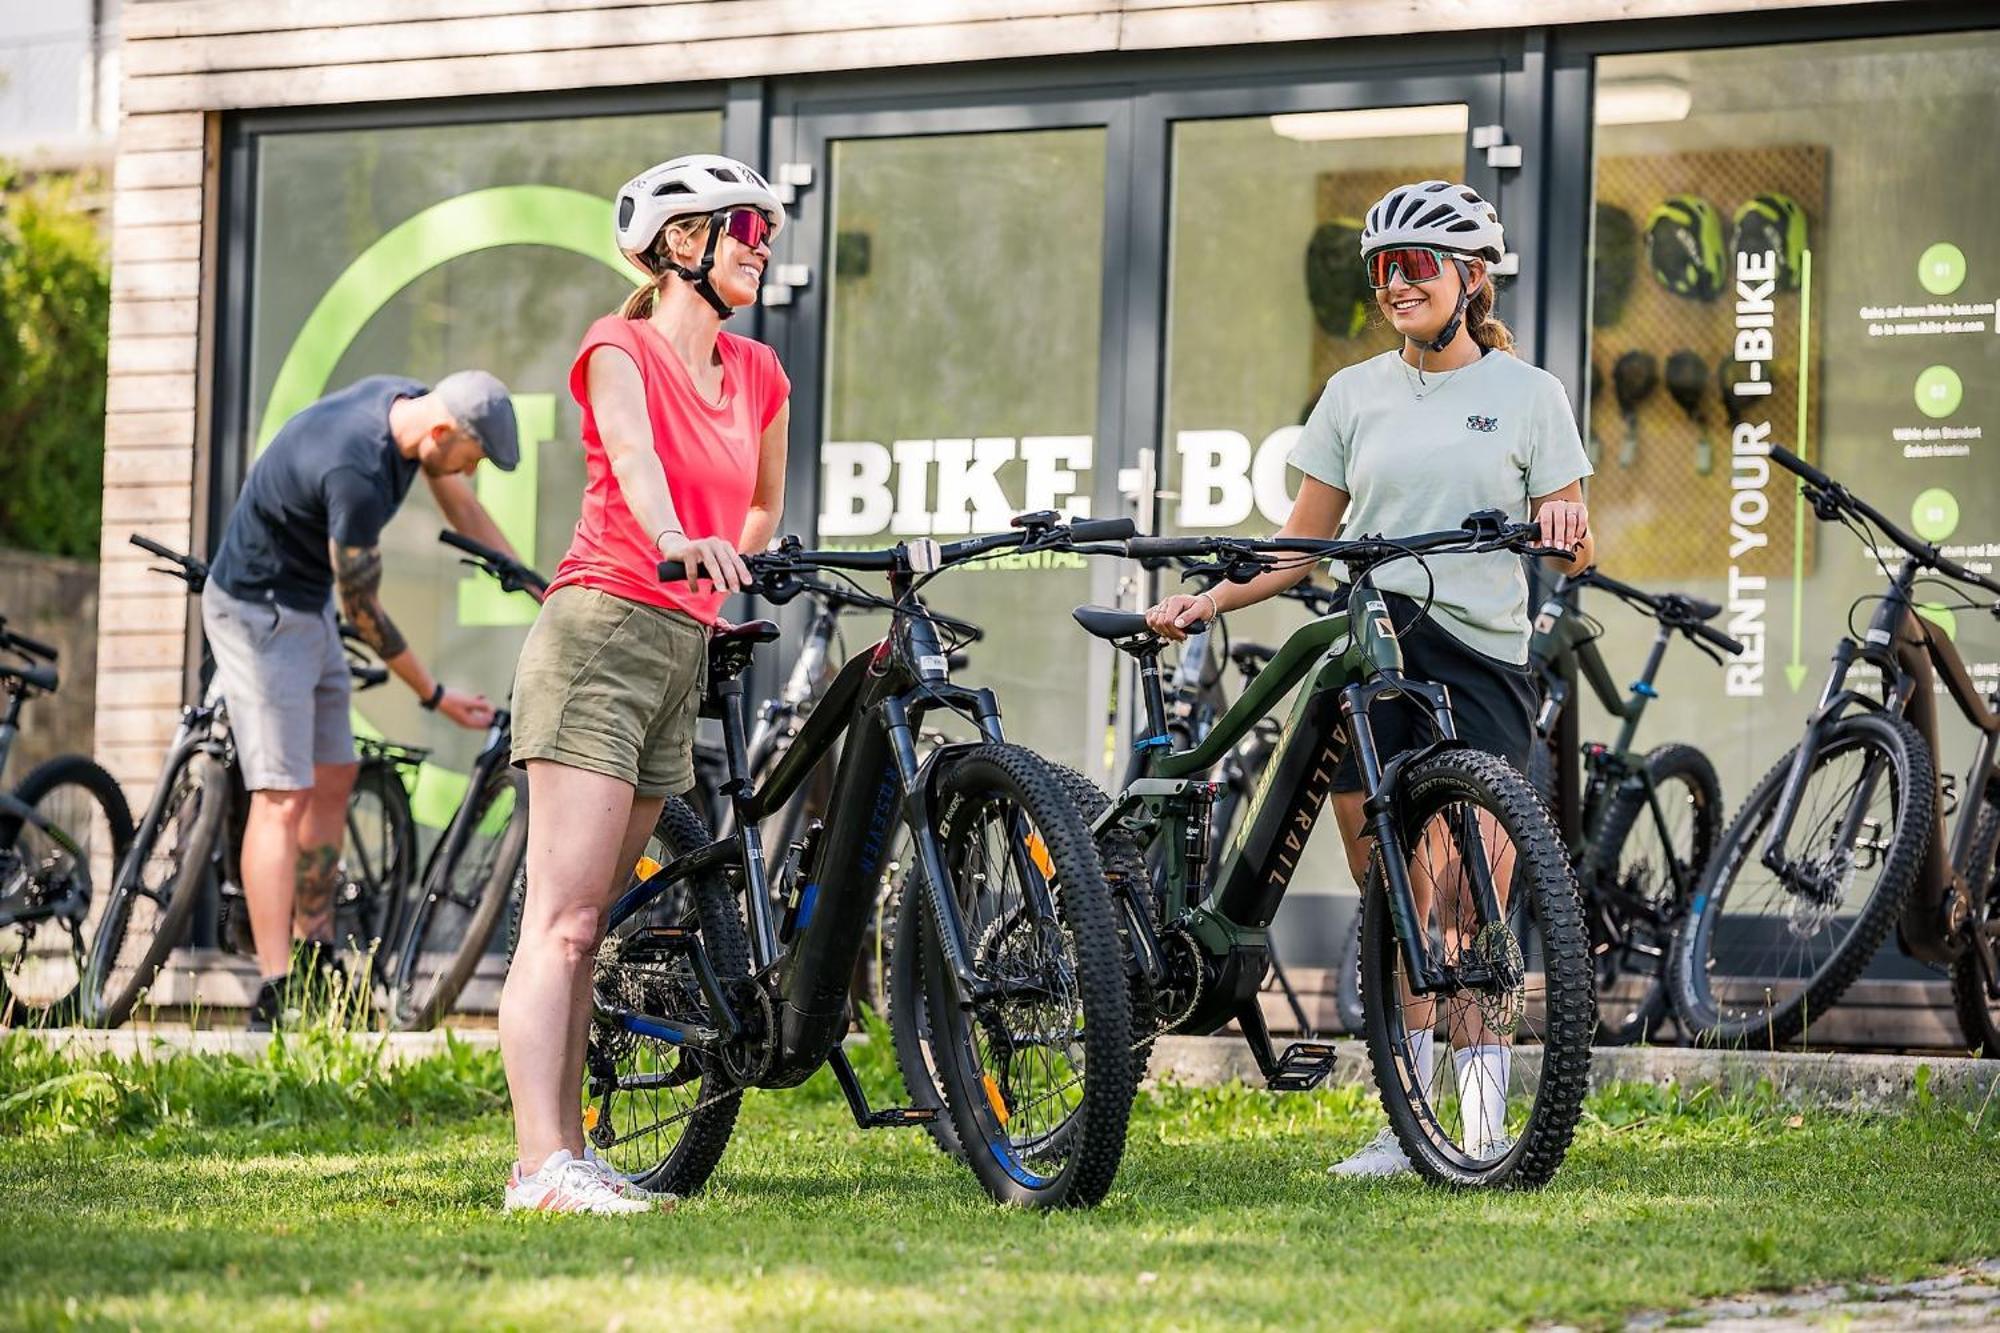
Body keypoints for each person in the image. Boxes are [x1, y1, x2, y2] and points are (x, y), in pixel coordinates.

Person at [1142, 180, 1595, 1177]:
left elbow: (1570, 543)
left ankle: (1480, 1123)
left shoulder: (1530, 396)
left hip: (1479, 658)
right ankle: (1405, 1122)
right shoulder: (1351, 394)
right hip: (1374, 648)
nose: (1394, 284)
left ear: (1469, 279)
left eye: (1415, 266)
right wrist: (1206, 603)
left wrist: (1562, 533)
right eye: (1382, 268)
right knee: (1398, 895)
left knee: (1474, 897)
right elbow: (1296, 548)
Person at [499, 155, 791, 1214]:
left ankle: (567, 1154)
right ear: (682, 244)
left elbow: (759, 505)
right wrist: (675, 538)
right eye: (744, 227)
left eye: (764, 228)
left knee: (597, 922)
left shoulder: (759, 374)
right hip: (600, 632)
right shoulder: (615, 344)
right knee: (564, 920)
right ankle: (539, 1169)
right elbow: (629, 454)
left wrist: (730, 559)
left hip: (679, 649)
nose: (761, 244)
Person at [202, 370, 522, 1030]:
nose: (472, 470)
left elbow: (459, 503)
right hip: (256, 611)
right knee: (281, 794)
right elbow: (366, 613)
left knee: (335, 774)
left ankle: (314, 944)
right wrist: (436, 695)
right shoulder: (358, 474)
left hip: (306, 603)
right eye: (473, 455)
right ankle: (274, 982)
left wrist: (526, 578)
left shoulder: (405, 406)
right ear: (442, 432)